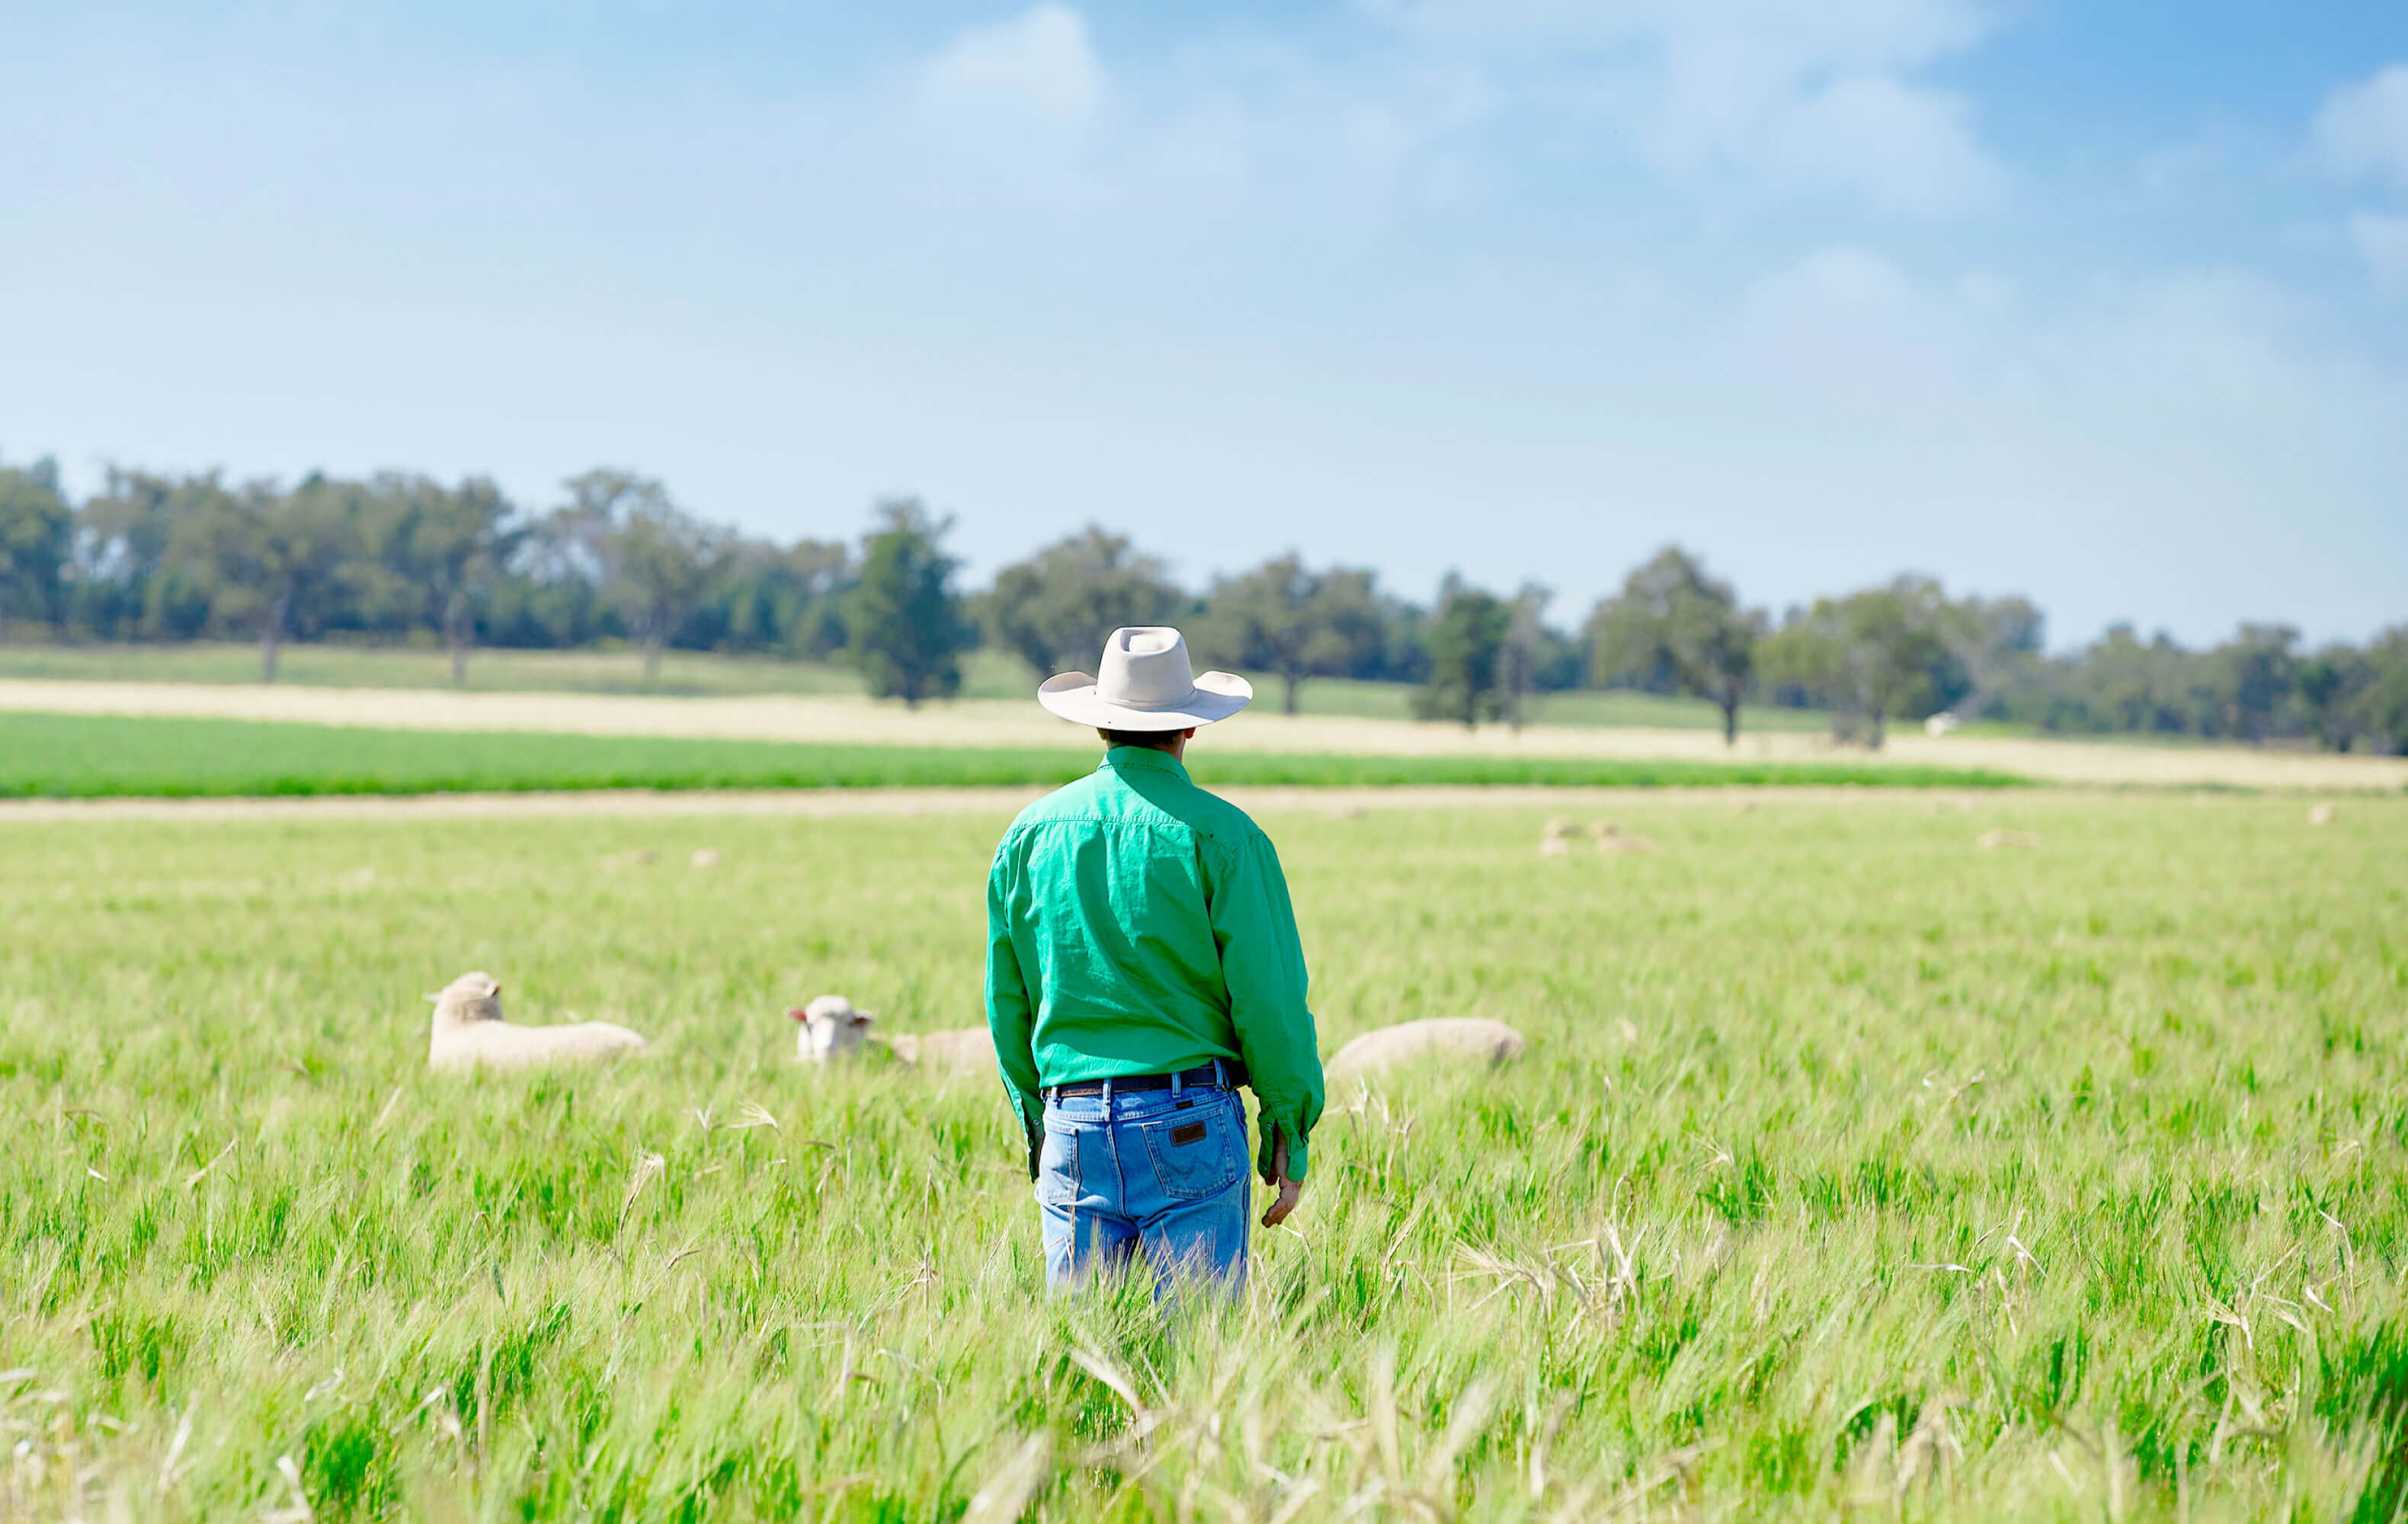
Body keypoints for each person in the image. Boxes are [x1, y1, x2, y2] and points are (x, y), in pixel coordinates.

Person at [985, 626, 1324, 1296]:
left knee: (1083, 1365)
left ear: (1100, 725)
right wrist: (1289, 1125)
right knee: (1194, 1367)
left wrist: (1040, 1125)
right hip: (1189, 1118)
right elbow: (1268, 1000)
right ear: (1190, 729)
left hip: (1071, 1119)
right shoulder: (1225, 834)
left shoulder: (1028, 835)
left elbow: (1008, 1001)